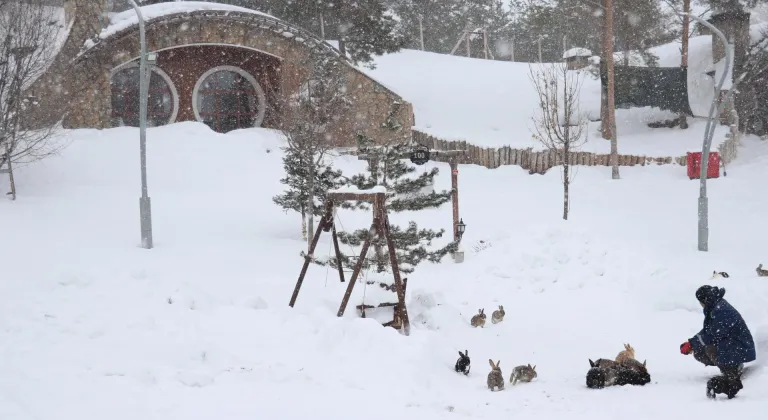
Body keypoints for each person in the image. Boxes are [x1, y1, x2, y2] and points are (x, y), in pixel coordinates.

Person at [680, 286, 756, 389]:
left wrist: (692, 344)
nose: (700, 304)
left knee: (710, 348)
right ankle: (731, 365)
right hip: (733, 344)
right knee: (699, 351)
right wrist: (692, 342)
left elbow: (712, 335)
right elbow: (708, 331)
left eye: (699, 301)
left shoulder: (721, 310)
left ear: (704, 300)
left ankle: (732, 370)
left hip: (741, 346)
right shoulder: (714, 306)